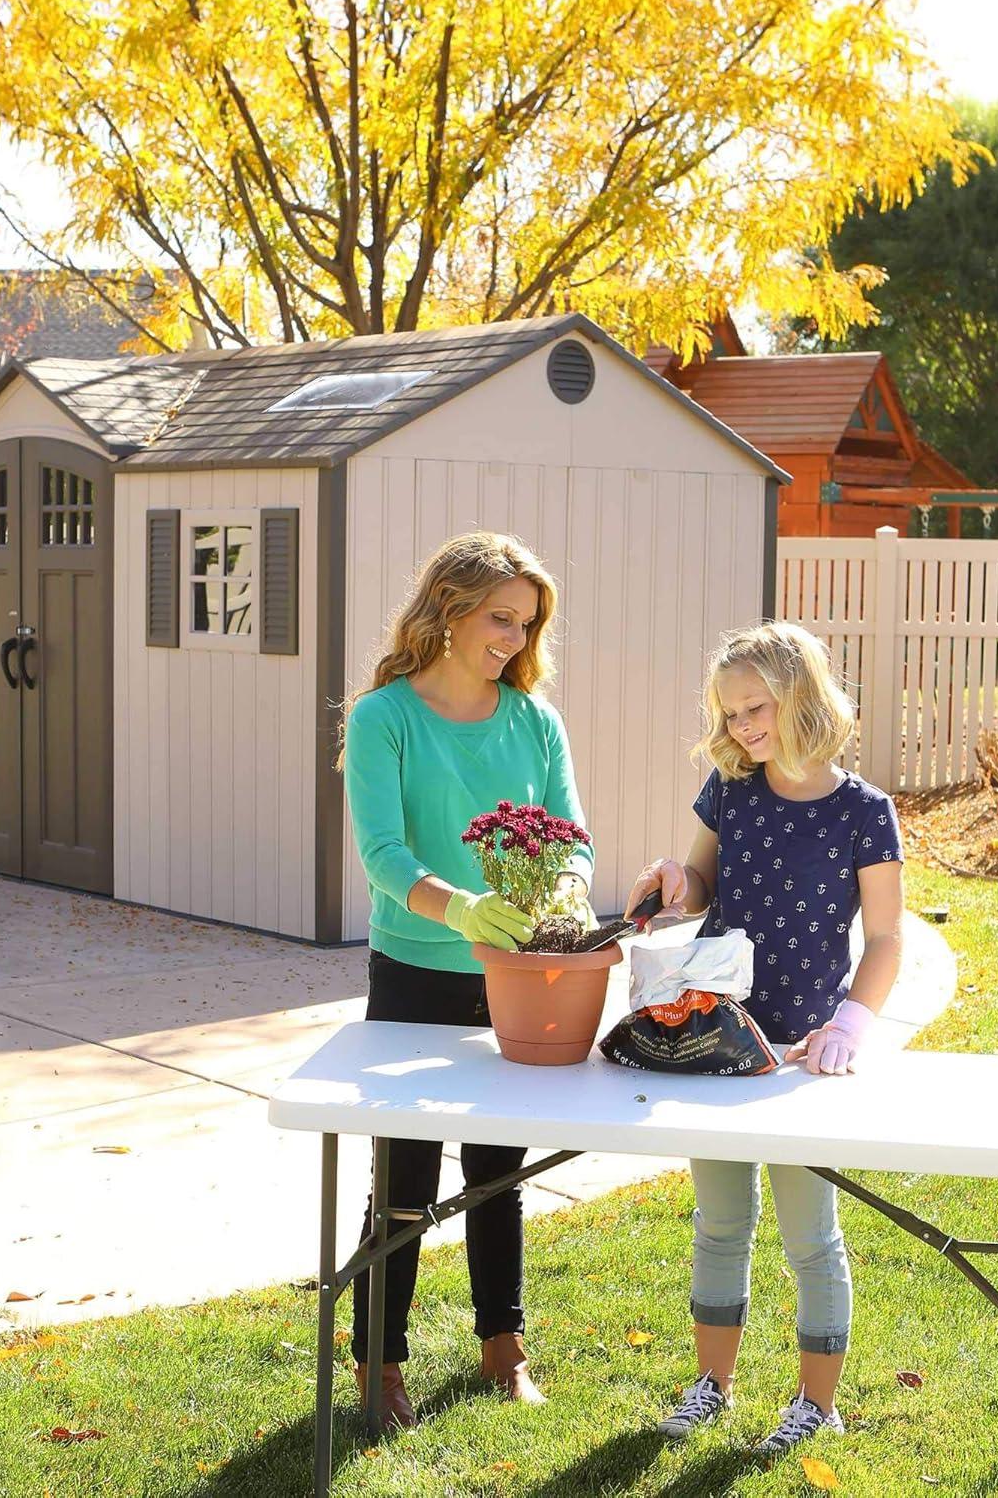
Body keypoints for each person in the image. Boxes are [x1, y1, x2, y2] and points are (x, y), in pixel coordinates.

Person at [623, 621, 904, 1455]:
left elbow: (887, 939)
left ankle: (818, 1404)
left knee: (811, 1235)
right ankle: (713, 1386)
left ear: (803, 696)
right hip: (720, 1040)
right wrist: (677, 881)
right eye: (731, 713)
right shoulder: (730, 790)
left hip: (803, 1055)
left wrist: (852, 1022)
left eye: (757, 707)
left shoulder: (865, 812)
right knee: (719, 1226)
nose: (744, 726)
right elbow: (701, 880)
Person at [338, 531, 594, 1429]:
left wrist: (561, 889)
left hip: (519, 979)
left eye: (526, 624)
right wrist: (462, 910)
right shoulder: (383, 719)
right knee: (402, 1180)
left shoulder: (535, 722)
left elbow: (572, 837)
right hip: (415, 972)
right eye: (500, 618)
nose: (515, 640)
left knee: (498, 1171)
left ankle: (502, 1348)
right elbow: (382, 854)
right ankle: (380, 1364)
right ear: (447, 609)